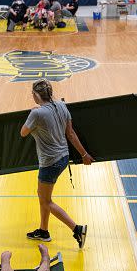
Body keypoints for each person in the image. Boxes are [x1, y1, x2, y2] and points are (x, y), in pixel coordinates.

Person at [20, 79, 93, 248]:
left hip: (49, 162)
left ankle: (77, 229)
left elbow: (23, 133)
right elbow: (71, 134)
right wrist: (84, 154)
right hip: (63, 158)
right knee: (43, 197)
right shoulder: (61, 105)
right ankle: (43, 231)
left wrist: (33, 114)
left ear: (36, 95)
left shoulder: (37, 113)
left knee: (46, 201)